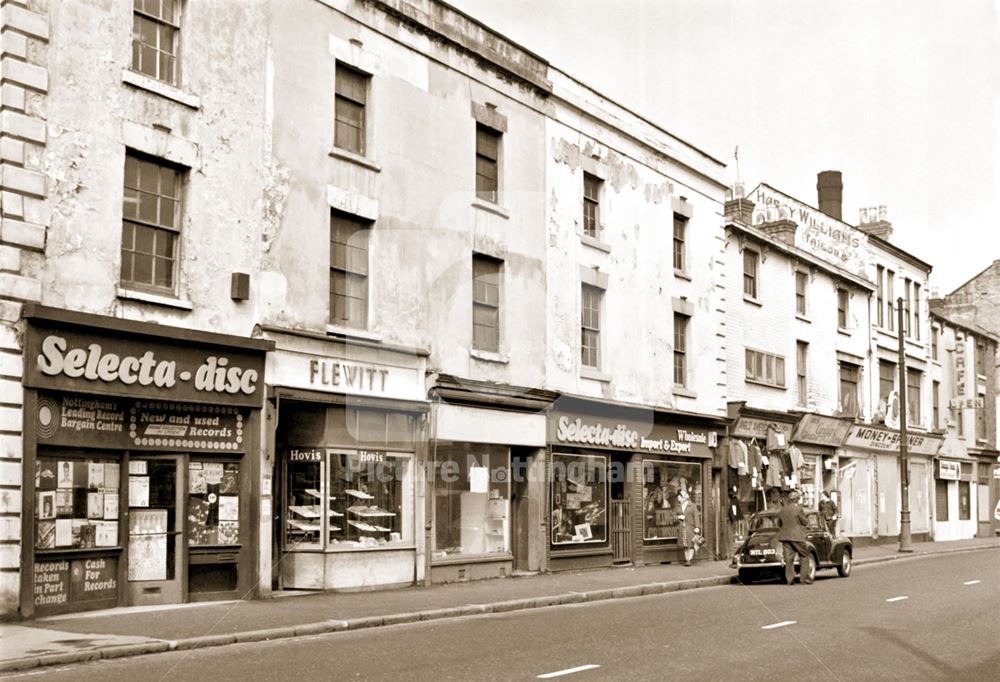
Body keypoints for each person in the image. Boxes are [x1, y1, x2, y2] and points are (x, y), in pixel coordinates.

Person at [777, 490, 813, 585]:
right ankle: (804, 578)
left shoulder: (783, 510)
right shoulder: (798, 509)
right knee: (804, 555)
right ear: (797, 499)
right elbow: (805, 522)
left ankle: (789, 579)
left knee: (788, 559)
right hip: (797, 537)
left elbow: (779, 523)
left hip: (785, 537)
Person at [675, 490, 701, 566]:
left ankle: (689, 559)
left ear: (684, 497)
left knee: (691, 544)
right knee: (685, 544)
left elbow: (696, 516)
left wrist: (697, 527)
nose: (678, 499)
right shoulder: (678, 506)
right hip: (682, 528)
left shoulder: (692, 505)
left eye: (679, 497)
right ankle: (687, 559)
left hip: (690, 527)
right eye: (678, 498)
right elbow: (673, 516)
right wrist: (678, 517)